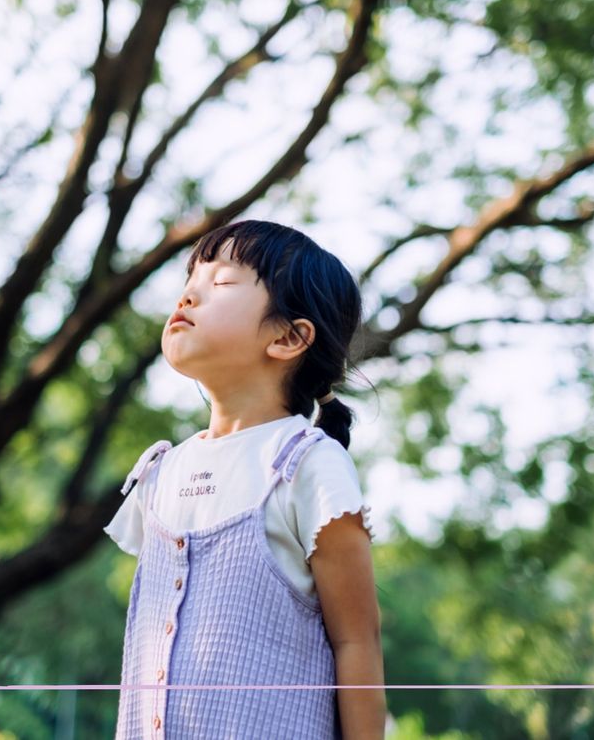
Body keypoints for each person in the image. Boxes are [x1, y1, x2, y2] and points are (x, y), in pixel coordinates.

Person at [104, 219, 385, 739]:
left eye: (223, 282)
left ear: (288, 337)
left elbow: (357, 641)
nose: (189, 294)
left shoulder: (307, 465)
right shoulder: (160, 473)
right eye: (191, 278)